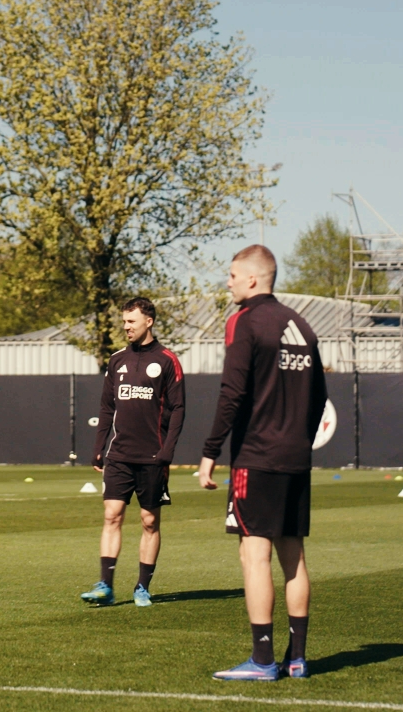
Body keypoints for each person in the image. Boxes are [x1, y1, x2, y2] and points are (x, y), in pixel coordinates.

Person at [197, 245, 328, 682]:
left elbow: (231, 393)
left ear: (253, 278)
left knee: (254, 557)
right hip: (295, 459)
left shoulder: (245, 320)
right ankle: (298, 659)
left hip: (257, 457)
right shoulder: (302, 325)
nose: (228, 281)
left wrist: (210, 451)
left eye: (232, 274)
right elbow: (319, 400)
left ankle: (262, 660)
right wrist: (299, 444)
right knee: (294, 558)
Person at [81, 297, 184, 608]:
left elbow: (178, 409)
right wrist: (99, 446)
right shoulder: (117, 361)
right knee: (112, 515)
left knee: (149, 521)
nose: (126, 327)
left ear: (148, 322)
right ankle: (106, 585)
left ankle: (142, 586)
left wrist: (168, 451)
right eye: (124, 322)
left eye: (131, 322)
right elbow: (106, 406)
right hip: (120, 454)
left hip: (153, 457)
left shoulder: (167, 360)